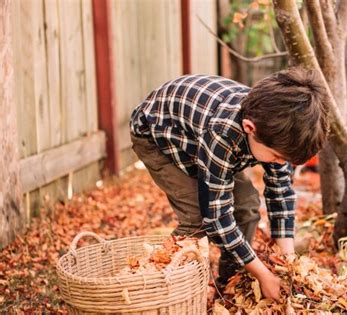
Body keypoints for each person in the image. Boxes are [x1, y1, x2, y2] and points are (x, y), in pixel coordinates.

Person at [129, 68, 329, 300]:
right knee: (197, 219)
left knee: (247, 207)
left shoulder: (279, 129)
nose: (280, 163)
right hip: (157, 135)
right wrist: (263, 275)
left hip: (201, 136)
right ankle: (159, 292)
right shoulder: (223, 135)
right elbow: (217, 218)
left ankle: (227, 283)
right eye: (276, 157)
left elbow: (280, 193)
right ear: (249, 128)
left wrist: (288, 261)